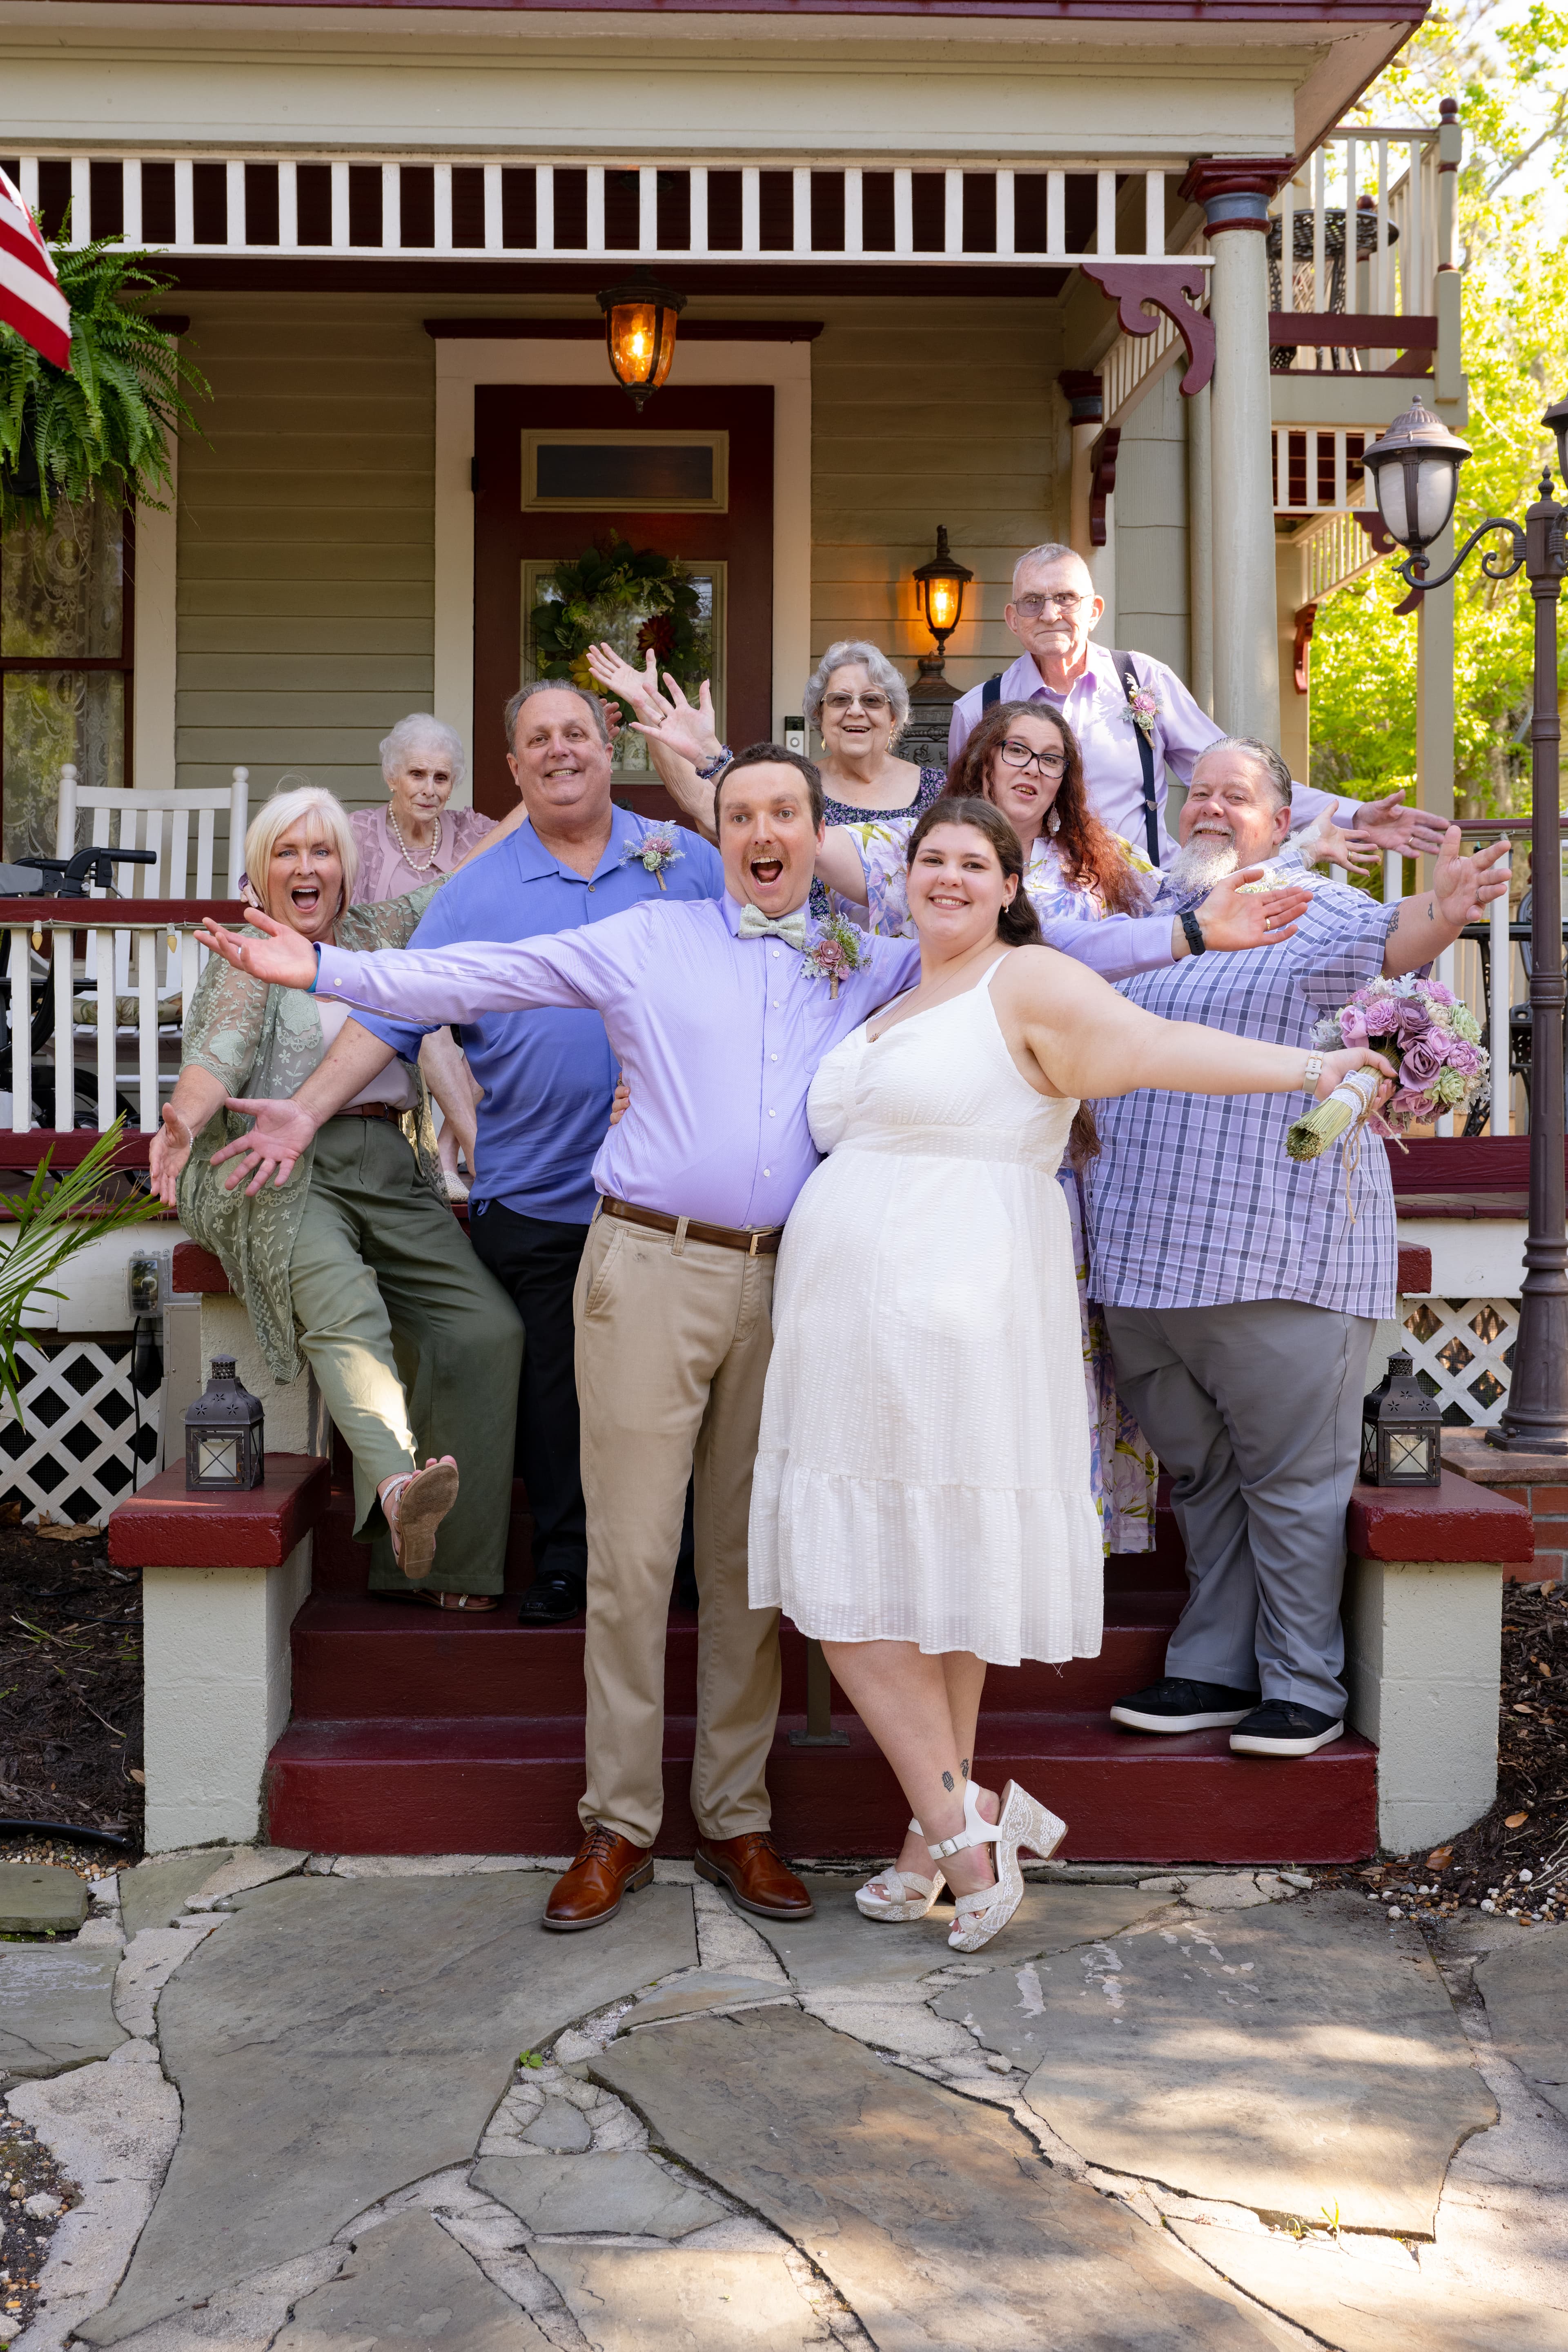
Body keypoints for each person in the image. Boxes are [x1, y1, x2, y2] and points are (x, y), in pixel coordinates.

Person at [194, 743, 923, 1935]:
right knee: (632, 1560)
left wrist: (1190, 935)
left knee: (745, 1567)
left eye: (783, 812)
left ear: (812, 830)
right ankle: (619, 1821)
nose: (762, 832)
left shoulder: (863, 957)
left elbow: (1008, 951)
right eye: (740, 814)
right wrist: (321, 963)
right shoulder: (649, 933)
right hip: (645, 1264)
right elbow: (480, 969)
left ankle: (737, 1815)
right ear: (715, 836)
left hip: (791, 1285)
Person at [748, 793, 1395, 1952]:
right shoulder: (899, 995)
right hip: (852, 1324)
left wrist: (1314, 1067)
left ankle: (965, 1834)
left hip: (952, 1313)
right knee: (920, 1583)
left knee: (850, 1593)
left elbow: (1151, 1050)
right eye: (928, 859)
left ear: (1008, 888)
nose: (945, 876)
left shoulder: (1028, 982)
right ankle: (933, 1831)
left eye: (970, 862)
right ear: (906, 881)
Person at [237, 684, 727, 1631]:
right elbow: (389, 1009)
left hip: (669, 1184)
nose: (558, 750)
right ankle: (566, 1557)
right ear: (512, 769)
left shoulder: (686, 861)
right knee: (552, 1382)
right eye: (536, 739)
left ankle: (688, 1556)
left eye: (575, 732)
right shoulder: (478, 891)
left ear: (608, 744)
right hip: (537, 1187)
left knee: (677, 1379)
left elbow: (766, 946)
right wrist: (301, 1112)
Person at [1090, 738, 1510, 1757]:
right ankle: (1211, 1663)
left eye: (1236, 795)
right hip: (1143, 1268)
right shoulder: (1147, 917)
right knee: (1207, 1479)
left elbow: (1387, 937)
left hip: (1274, 1262)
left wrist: (1441, 911)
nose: (1210, 807)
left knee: (1288, 1483)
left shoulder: (1303, 906)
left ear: (1280, 824)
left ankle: (1301, 1682)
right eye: (1197, 792)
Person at [150, 784, 523, 1611]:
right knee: (347, 1310)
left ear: (346, 871)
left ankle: (447, 1563)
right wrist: (183, 1119)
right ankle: (397, 1492)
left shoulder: (380, 932)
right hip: (283, 1170)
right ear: (263, 870)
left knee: (486, 1330)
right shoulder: (249, 951)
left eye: (321, 852)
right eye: (287, 852)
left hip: (389, 1162)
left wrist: (541, 790)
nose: (306, 866)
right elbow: (225, 1043)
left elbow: (463, 880)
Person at [946, 542, 1450, 873]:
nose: (1050, 613)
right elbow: (961, 820)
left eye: (1066, 598)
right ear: (1013, 619)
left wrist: (1354, 816)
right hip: (1029, 912)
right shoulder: (978, 711)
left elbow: (1242, 778)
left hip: (1146, 904)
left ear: (1094, 611)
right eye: (1032, 602)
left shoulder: (1141, 680)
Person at [350, 714, 494, 1198]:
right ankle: (478, 1152)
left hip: (460, 982)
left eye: (441, 777)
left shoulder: (471, 831)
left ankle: (446, 1152)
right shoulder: (359, 834)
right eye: (417, 774)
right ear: (392, 776)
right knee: (425, 1014)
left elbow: (534, 827)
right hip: (386, 986)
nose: (429, 789)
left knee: (511, 1010)